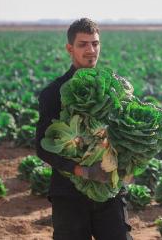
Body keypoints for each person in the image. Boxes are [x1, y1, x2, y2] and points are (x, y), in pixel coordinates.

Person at [35, 18, 132, 240]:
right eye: (83, 44)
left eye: (95, 43)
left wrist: (129, 161)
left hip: (109, 190)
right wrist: (83, 171)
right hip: (69, 193)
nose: (91, 50)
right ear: (70, 48)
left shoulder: (115, 89)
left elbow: (127, 134)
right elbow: (42, 147)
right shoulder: (53, 93)